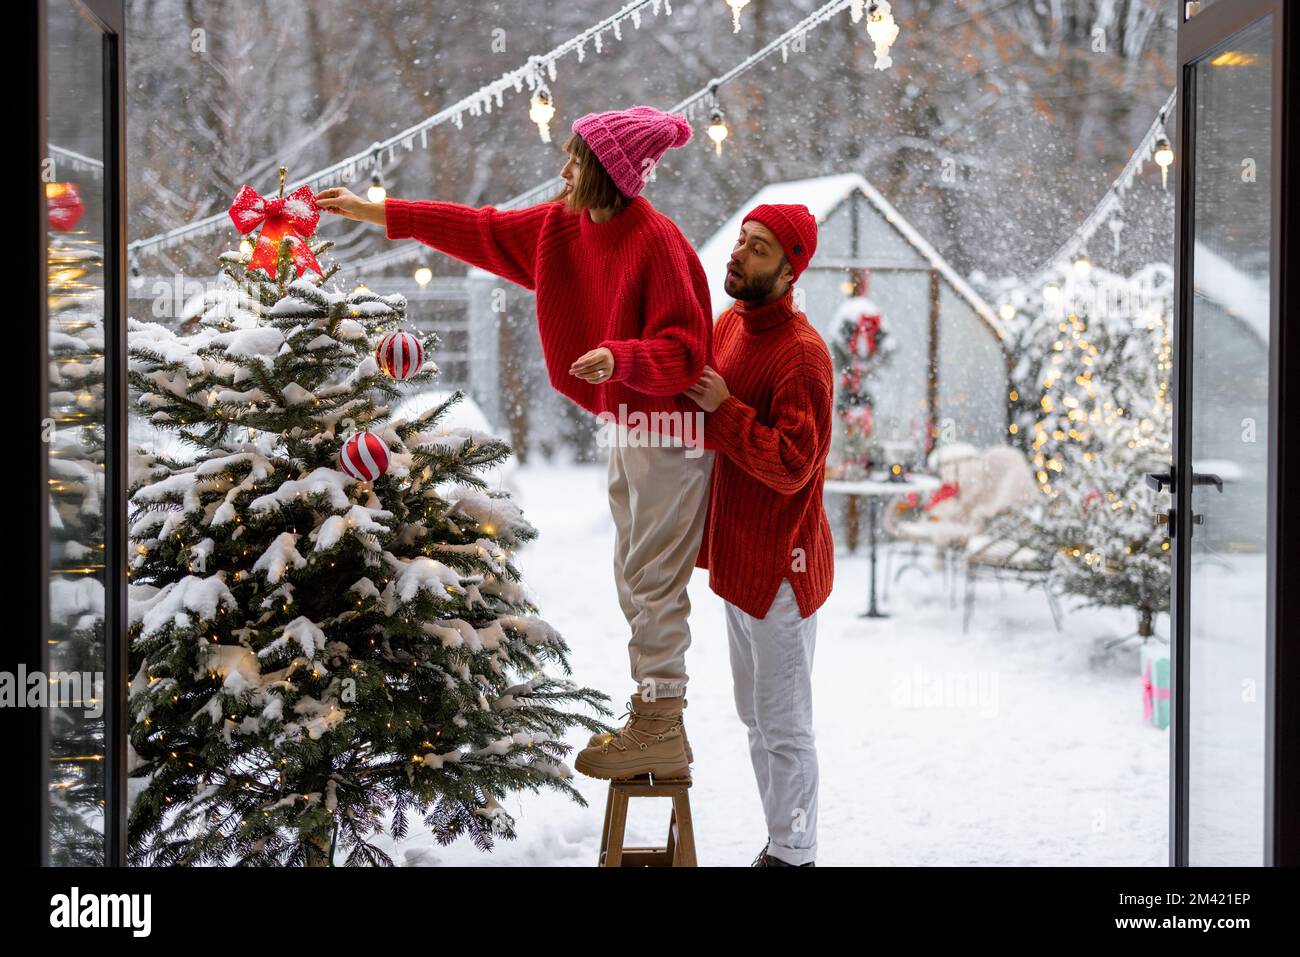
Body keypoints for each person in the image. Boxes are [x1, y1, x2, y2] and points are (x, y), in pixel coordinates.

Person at [317, 106, 714, 781]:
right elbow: (481, 228)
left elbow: (686, 352)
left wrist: (622, 359)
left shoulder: (656, 240)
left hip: (671, 431)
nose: (563, 172)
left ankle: (660, 725)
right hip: (628, 427)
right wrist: (375, 213)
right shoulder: (563, 226)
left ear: (610, 173)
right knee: (635, 579)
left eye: (576, 161)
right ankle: (651, 713)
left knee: (652, 582)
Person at [685, 203, 833, 867]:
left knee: (785, 725)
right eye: (742, 239)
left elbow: (793, 464)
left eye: (761, 247)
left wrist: (724, 409)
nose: (740, 254)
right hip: (738, 565)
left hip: (781, 567)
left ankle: (795, 852)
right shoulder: (728, 326)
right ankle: (781, 841)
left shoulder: (802, 356)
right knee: (755, 719)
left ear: (789, 268)